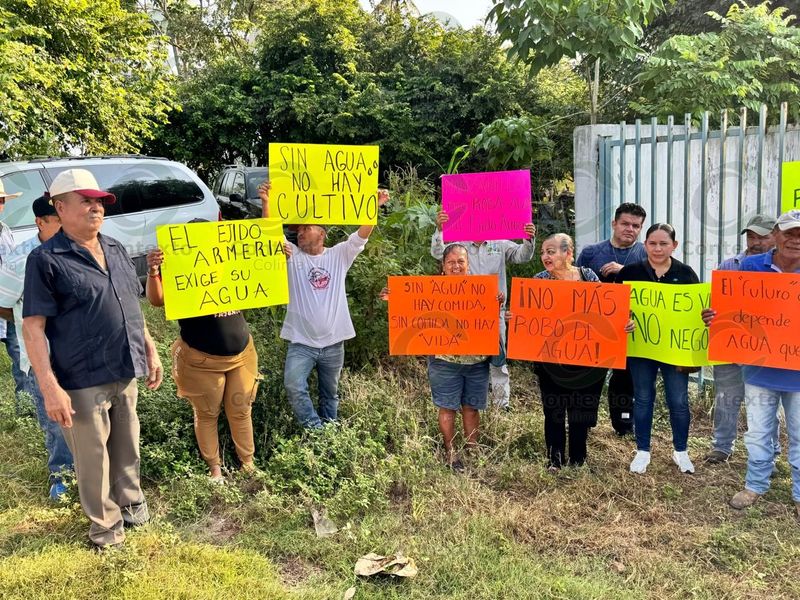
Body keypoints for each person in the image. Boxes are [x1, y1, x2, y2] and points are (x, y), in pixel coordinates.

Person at [22, 168, 163, 549]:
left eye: (98, 201)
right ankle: (106, 530)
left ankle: (132, 506)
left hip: (124, 365)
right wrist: (49, 386)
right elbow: (33, 328)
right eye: (85, 201)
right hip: (81, 377)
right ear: (60, 207)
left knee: (127, 445)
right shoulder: (45, 260)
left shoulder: (115, 248)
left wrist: (148, 346)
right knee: (93, 456)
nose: (95, 208)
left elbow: (130, 304)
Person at [259, 182, 389, 428]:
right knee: (293, 385)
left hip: (333, 343)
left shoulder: (338, 256)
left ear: (323, 233)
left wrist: (373, 206)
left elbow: (361, 236)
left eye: (306, 228)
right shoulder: (292, 256)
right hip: (301, 343)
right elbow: (269, 233)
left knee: (330, 393)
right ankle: (316, 430)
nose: (300, 232)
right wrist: (267, 202)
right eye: (298, 230)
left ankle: (329, 430)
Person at [146, 231, 268, 482]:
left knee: (241, 410)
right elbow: (157, 300)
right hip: (200, 362)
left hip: (242, 355)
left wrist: (276, 252)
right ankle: (215, 469)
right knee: (206, 413)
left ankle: (248, 463)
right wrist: (154, 271)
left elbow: (261, 252)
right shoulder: (181, 270)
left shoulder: (229, 265)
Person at [703, 210, 800, 518]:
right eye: (790, 233)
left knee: (799, 434)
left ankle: (799, 493)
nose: (795, 240)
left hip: (797, 374)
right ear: (777, 234)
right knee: (758, 432)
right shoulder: (750, 267)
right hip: (758, 370)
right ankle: (755, 484)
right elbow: (733, 312)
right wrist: (715, 318)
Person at [381, 243, 500, 471]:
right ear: (443, 266)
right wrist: (394, 299)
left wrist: (497, 302)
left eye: (460, 262)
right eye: (451, 262)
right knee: (447, 407)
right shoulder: (430, 289)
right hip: (444, 362)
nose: (456, 266)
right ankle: (451, 453)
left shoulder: (482, 288)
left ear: (468, 264)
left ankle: (472, 451)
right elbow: (411, 306)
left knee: (471, 407)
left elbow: (491, 319)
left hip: (476, 361)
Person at [533, 233, 635, 470]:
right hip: (551, 359)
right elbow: (531, 318)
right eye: (543, 252)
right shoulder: (539, 280)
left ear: (568, 253)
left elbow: (605, 313)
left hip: (587, 358)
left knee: (581, 409)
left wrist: (624, 323)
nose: (545, 257)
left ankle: (578, 460)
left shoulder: (588, 276)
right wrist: (516, 317)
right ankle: (554, 460)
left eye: (551, 251)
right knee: (554, 409)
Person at [0, 196, 74, 500]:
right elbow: (3, 304)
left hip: (81, 353)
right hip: (43, 356)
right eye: (58, 219)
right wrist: (26, 322)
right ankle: (62, 476)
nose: (65, 225)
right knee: (56, 420)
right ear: (40, 222)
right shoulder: (22, 261)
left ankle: (93, 469)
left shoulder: (78, 249)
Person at [431, 211, 536, 409]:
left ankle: (501, 405)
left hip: (494, 311)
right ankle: (469, 402)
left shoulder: (500, 243)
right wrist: (439, 230)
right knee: (469, 359)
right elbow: (439, 253)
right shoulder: (460, 243)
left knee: (498, 360)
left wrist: (528, 238)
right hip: (463, 311)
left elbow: (523, 255)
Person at [617, 223, 699, 475]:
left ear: (674, 245)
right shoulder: (629, 272)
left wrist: (705, 316)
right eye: (652, 243)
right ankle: (643, 451)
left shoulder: (686, 274)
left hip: (675, 349)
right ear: (645, 245)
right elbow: (615, 309)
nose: (658, 248)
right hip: (641, 348)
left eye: (664, 243)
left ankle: (681, 451)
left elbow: (696, 310)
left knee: (678, 400)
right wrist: (624, 321)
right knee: (642, 398)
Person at [705, 214, 781, 464]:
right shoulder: (728, 266)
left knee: (766, 401)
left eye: (762, 236)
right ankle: (722, 447)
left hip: (768, 349)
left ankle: (771, 449)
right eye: (751, 236)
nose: (755, 242)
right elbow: (716, 304)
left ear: (777, 237)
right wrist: (710, 314)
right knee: (726, 397)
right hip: (731, 345)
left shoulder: (785, 271)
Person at [576, 203, 647, 436]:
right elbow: (574, 286)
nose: (630, 229)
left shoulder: (646, 254)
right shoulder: (591, 252)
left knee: (624, 379)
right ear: (614, 223)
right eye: (625, 223)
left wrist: (623, 270)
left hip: (630, 328)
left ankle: (624, 424)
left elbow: (654, 288)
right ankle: (584, 422)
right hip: (595, 327)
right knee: (589, 376)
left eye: (636, 226)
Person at [0, 179, 27, 410]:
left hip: (9, 304)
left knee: (21, 356)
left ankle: (26, 406)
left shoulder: (5, 230)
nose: (0, 205)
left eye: (1, 200)